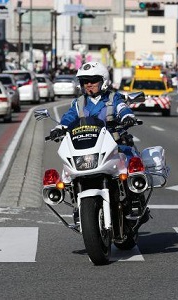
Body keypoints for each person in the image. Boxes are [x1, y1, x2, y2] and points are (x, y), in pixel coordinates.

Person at [49, 62, 146, 218]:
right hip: (89, 146)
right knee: (68, 170)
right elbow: (69, 117)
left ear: (104, 81)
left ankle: (135, 198)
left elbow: (122, 107)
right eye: (84, 81)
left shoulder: (114, 98)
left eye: (93, 80)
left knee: (131, 161)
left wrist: (128, 116)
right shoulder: (78, 102)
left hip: (114, 143)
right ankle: (76, 202)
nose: (88, 85)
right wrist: (59, 128)